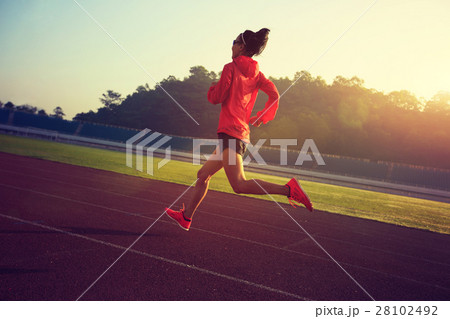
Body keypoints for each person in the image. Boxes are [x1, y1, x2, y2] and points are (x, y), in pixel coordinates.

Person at [166, 28, 312, 231]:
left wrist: (212, 87)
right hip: (236, 133)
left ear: (241, 46)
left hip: (231, 134)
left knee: (239, 185)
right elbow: (275, 95)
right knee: (203, 175)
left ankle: (289, 190)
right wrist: (264, 115)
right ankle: (186, 217)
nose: (232, 46)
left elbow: (216, 98)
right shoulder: (258, 75)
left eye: (234, 42)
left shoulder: (230, 68)